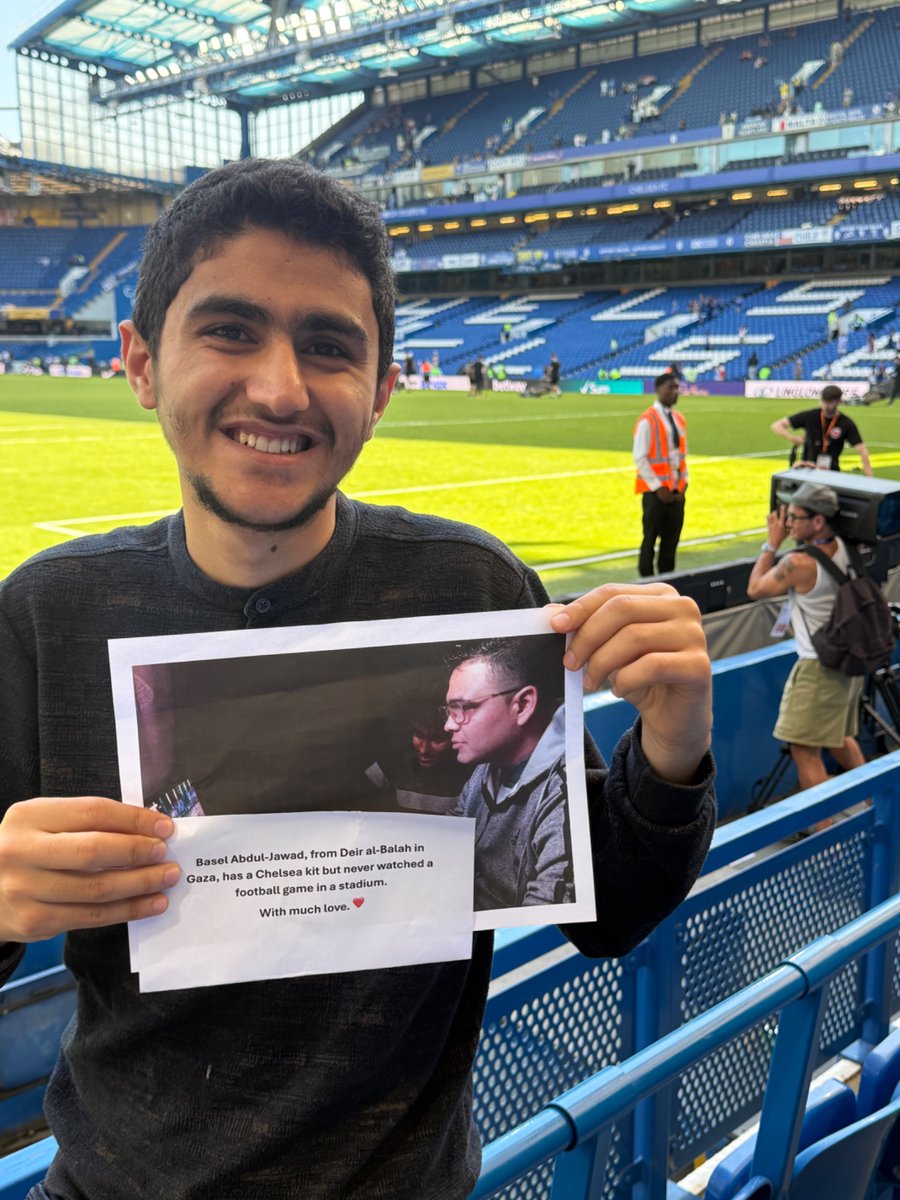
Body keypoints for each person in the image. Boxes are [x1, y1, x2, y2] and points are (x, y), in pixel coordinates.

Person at [0, 159, 715, 1200]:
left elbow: (601, 909)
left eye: (328, 346)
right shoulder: (45, 615)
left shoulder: (473, 586)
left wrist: (675, 745)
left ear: (381, 388)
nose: (281, 388)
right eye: (230, 330)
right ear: (142, 363)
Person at [746, 482, 866, 791]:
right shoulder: (844, 546)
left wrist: (771, 545)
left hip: (818, 668)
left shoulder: (799, 563)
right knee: (839, 739)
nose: (787, 524)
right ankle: (878, 809)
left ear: (818, 521)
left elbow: (755, 589)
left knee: (803, 749)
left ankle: (823, 831)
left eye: (795, 517)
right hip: (847, 661)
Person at [445, 638, 569, 910]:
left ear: (523, 705)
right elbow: (446, 844)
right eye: (449, 710)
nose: (448, 725)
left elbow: (544, 916)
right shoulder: (482, 773)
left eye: (463, 708)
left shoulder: (563, 798)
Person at [634, 372, 688, 577]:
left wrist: (684, 484)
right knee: (649, 540)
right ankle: (646, 582)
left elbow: (681, 455)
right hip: (655, 494)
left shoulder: (679, 419)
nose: (675, 392)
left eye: (677, 388)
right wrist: (658, 487)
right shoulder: (647, 420)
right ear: (658, 390)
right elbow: (640, 457)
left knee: (671, 541)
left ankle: (667, 581)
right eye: (670, 388)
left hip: (676, 492)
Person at [770, 385, 872, 475]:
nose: (826, 405)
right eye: (824, 401)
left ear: (839, 402)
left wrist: (869, 478)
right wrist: (792, 438)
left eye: (830, 402)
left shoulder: (845, 423)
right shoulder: (810, 416)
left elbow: (862, 450)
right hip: (807, 470)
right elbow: (777, 425)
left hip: (832, 471)